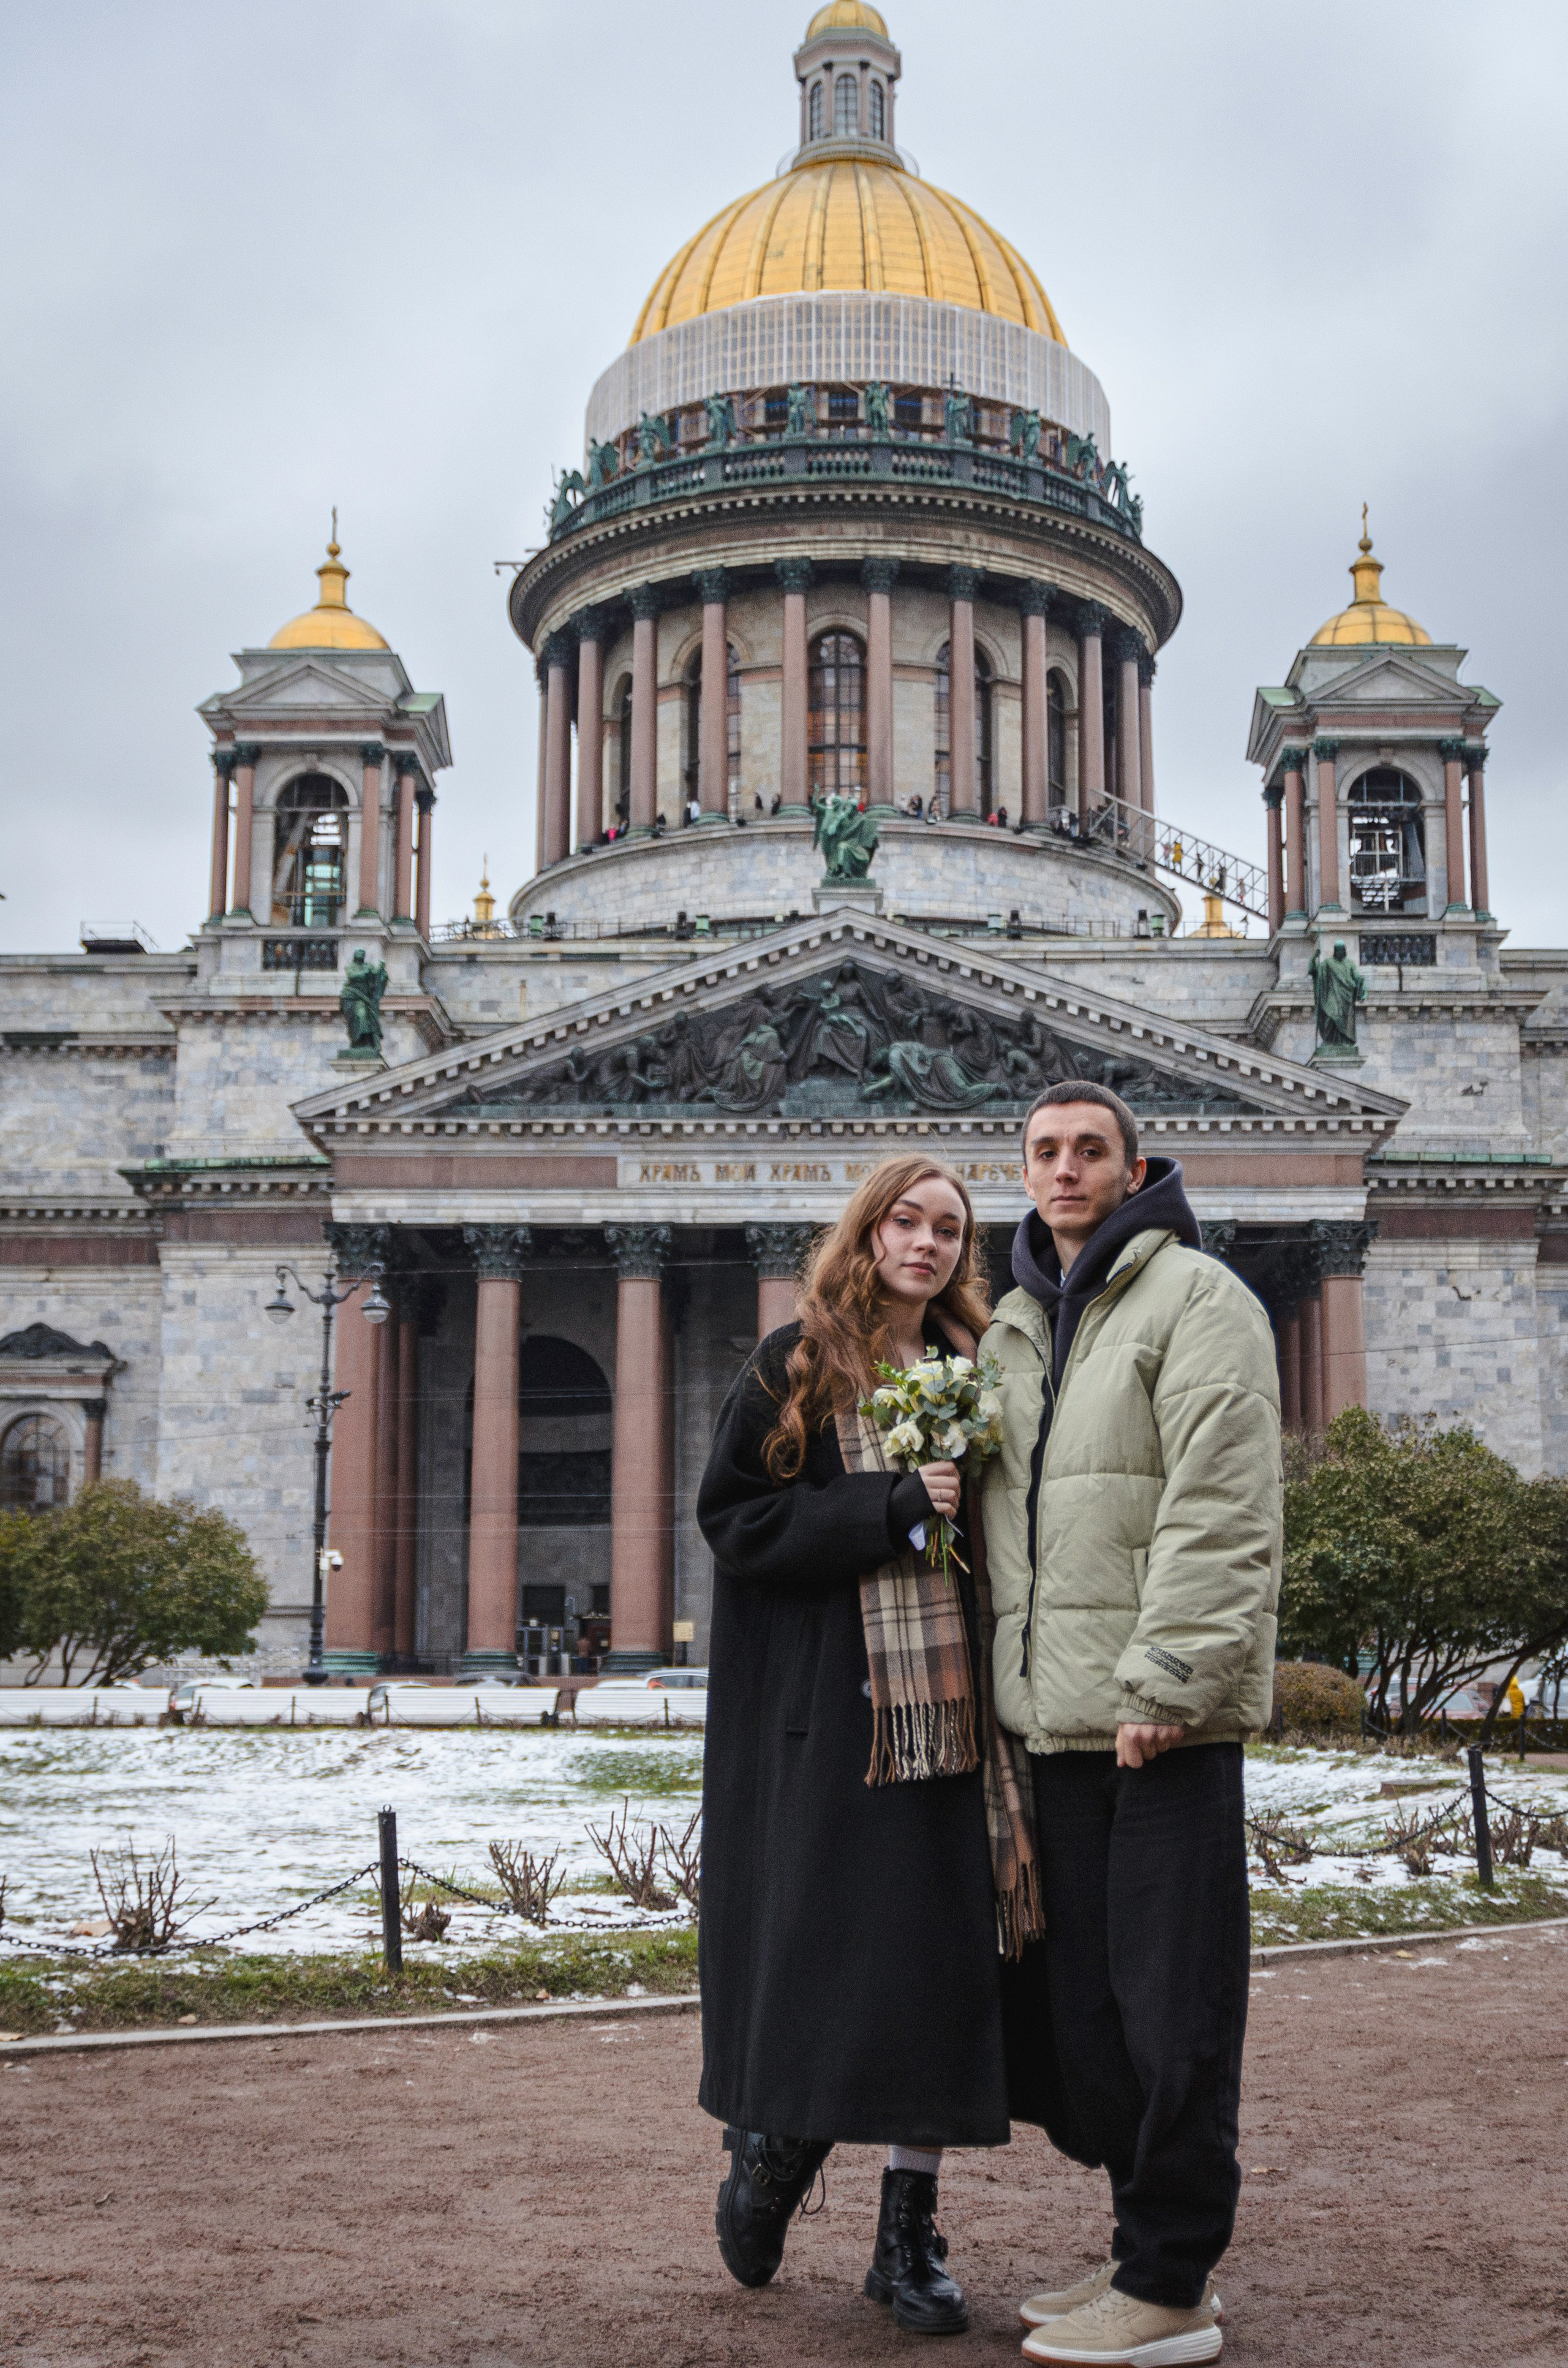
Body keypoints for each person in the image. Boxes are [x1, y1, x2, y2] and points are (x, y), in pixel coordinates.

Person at [696, 1156, 1040, 2337]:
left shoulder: (976, 1368)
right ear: (871, 1229)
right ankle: (777, 2152)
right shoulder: (794, 1360)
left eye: (951, 1227)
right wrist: (888, 1505)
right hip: (836, 1713)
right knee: (829, 1956)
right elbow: (736, 1519)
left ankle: (907, 2231)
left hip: (954, 1704)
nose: (930, 1242)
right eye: (909, 1219)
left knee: (943, 1971)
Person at [980, 1081, 1281, 2367]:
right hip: (1053, 1724)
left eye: (1086, 1150)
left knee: (1171, 2012)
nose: (1063, 1170)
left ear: (1132, 1166)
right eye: (1043, 1151)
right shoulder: (1010, 1325)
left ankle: (1168, 2283)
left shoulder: (1198, 1299)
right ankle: (1133, 2250)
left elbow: (1218, 1499)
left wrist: (1167, 1678)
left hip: (1156, 1725)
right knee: (1083, 2016)